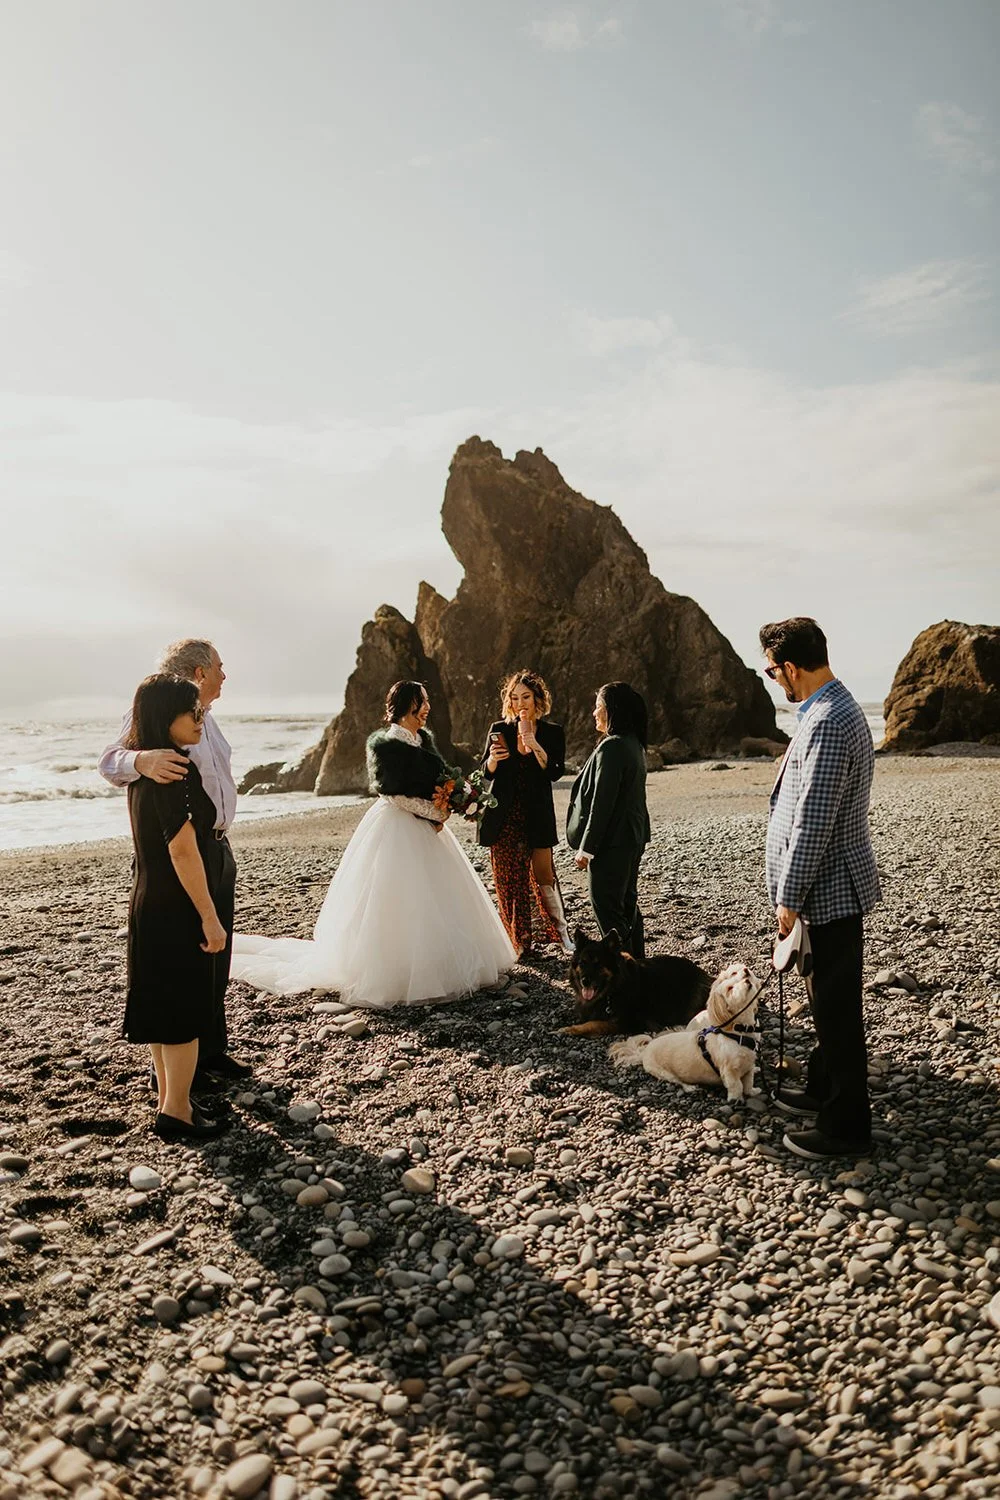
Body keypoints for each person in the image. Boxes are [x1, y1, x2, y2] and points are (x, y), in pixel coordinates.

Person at [231, 681, 516, 1006]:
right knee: (398, 897)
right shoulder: (385, 744)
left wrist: (455, 801)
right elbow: (390, 792)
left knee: (436, 895)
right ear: (408, 705)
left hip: (428, 826)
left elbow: (442, 778)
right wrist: (434, 812)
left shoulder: (424, 739)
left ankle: (440, 961)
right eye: (422, 702)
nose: (427, 709)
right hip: (397, 824)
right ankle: (399, 971)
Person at [99, 639, 249, 1084]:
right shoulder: (159, 714)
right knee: (192, 952)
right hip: (187, 848)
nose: (225, 675)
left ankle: (212, 1049)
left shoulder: (208, 722)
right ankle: (188, 1064)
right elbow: (109, 761)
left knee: (217, 954)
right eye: (220, 666)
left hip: (219, 846)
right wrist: (141, 760)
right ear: (199, 672)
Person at [760, 616, 880, 1161]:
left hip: (827, 888)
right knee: (822, 997)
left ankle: (845, 1125)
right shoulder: (823, 710)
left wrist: (788, 894)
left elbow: (814, 819)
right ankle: (819, 1088)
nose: (773, 681)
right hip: (825, 887)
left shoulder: (830, 720)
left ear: (790, 667)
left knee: (835, 1008)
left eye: (771, 671)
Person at [122, 675, 230, 1141]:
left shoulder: (146, 771)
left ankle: (170, 1101)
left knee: (162, 1007)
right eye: (194, 711)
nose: (201, 718)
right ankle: (179, 1111)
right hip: (177, 902)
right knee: (184, 1010)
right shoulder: (174, 771)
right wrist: (210, 916)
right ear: (168, 717)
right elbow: (183, 852)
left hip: (146, 899)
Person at [478, 670, 573, 958]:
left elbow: (556, 772)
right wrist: (494, 759)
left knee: (544, 876)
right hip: (503, 817)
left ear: (537, 699)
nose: (521, 703)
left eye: (526, 697)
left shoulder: (552, 731)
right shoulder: (499, 728)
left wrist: (535, 747)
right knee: (510, 880)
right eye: (515, 697)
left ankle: (561, 935)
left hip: (537, 814)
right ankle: (520, 943)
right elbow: (484, 772)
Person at [566, 683, 651, 958]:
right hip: (632, 838)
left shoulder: (612, 748)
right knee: (627, 906)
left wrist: (587, 848)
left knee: (607, 908)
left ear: (612, 710)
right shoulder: (634, 745)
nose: (594, 713)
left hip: (611, 843)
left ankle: (624, 977)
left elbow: (603, 803)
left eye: (598, 706)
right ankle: (639, 969)